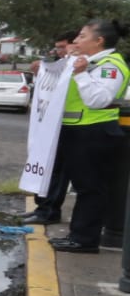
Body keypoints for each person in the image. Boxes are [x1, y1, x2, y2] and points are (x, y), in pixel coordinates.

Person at [49, 18, 128, 254]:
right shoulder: (87, 62)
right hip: (78, 130)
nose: (76, 40)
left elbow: (98, 100)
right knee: (83, 187)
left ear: (99, 40)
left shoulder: (110, 65)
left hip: (95, 131)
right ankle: (78, 235)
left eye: (82, 36)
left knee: (91, 188)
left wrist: (81, 73)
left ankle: (85, 240)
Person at [21, 31, 82, 226]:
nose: (59, 51)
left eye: (63, 47)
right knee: (46, 167)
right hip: (51, 125)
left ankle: (50, 210)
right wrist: (40, 74)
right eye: (57, 47)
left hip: (72, 126)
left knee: (59, 172)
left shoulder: (81, 65)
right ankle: (42, 207)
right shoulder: (58, 66)